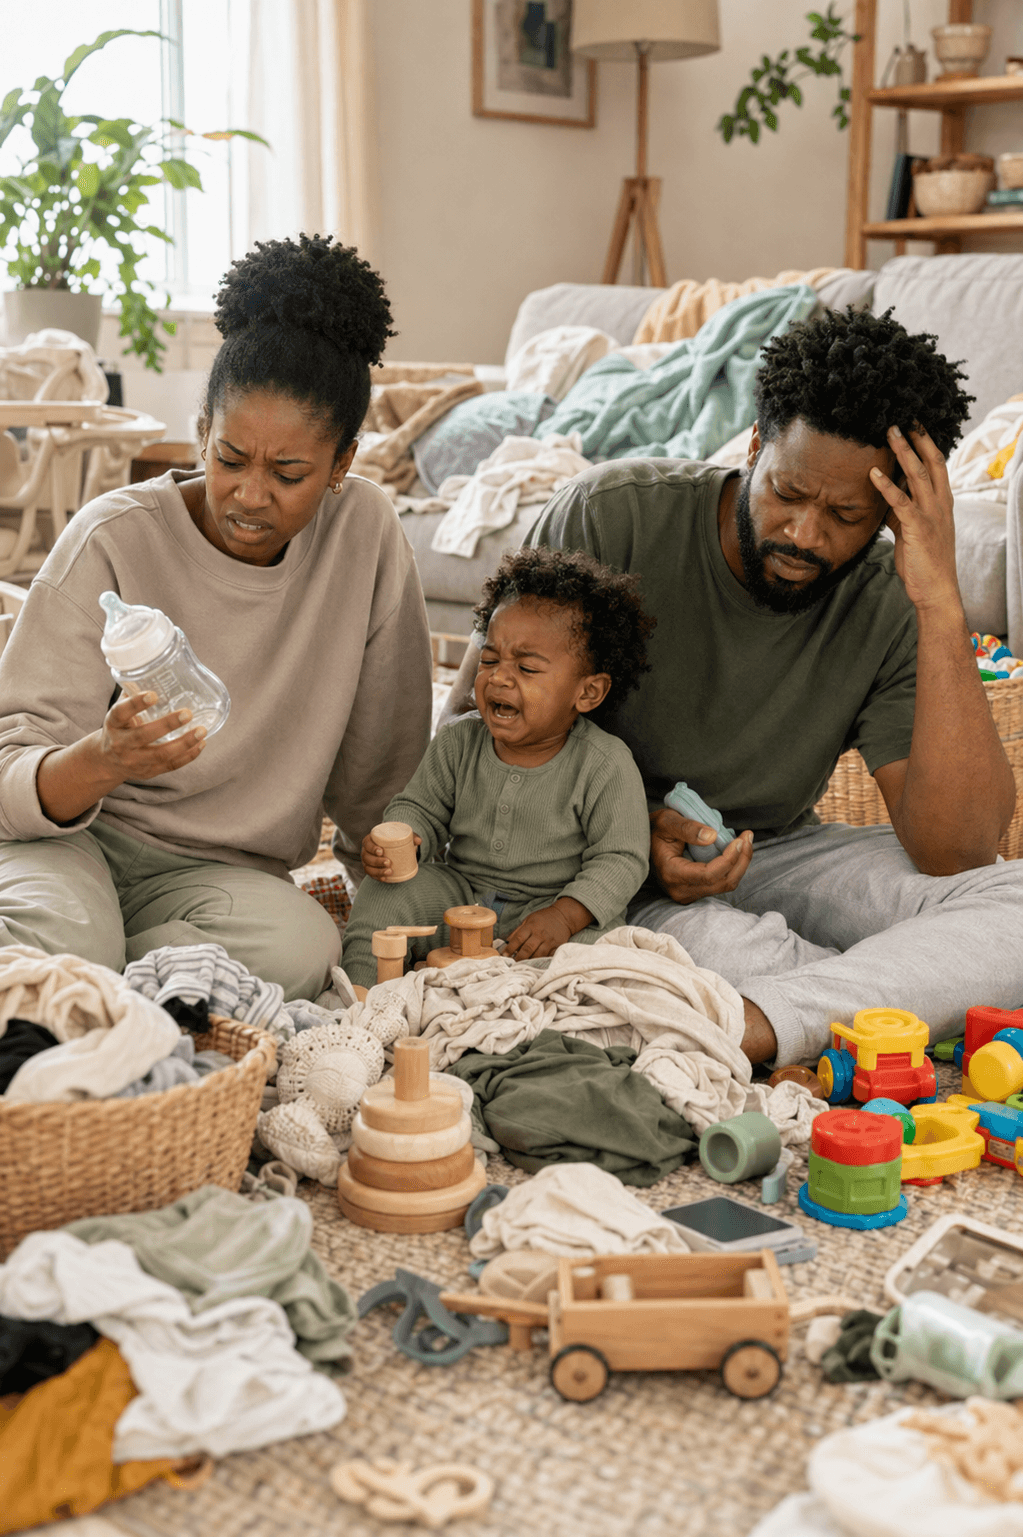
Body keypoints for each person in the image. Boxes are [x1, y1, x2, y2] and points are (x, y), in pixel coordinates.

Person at [441, 307, 1022, 1066]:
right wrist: (627, 833)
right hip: (593, 866)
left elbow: (958, 849)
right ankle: (835, 1008)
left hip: (777, 850)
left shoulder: (890, 595)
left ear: (888, 511)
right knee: (751, 951)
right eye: (786, 491)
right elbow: (465, 746)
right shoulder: (612, 516)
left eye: (846, 514)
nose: (805, 534)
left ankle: (766, 1020)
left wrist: (941, 602)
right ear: (753, 447)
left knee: (1009, 904)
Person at [0, 234, 432, 1000]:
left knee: (304, 946)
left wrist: (399, 903)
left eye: (289, 473)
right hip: (73, 841)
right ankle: (110, 957)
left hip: (219, 877)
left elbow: (382, 770)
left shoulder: (365, 536)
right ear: (202, 428)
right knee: (64, 947)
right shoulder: (113, 536)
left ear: (342, 464)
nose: (250, 493)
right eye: (230, 457)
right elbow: (9, 765)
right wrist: (106, 758)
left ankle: (122, 966)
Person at [340, 547, 653, 988]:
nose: (498, 678)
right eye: (489, 660)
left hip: (551, 912)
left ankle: (515, 999)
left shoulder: (604, 764)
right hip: (461, 897)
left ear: (587, 693)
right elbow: (421, 809)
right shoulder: (458, 741)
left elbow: (621, 860)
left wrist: (565, 916)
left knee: (598, 953)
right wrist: (403, 841)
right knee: (384, 895)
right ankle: (359, 993)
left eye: (526, 668)